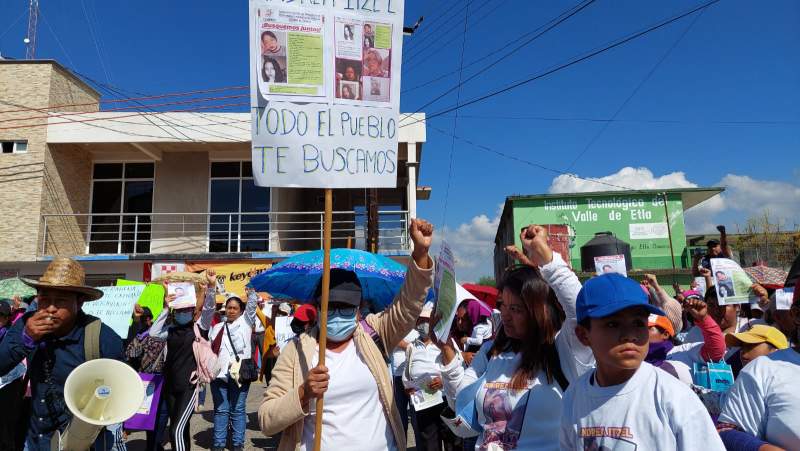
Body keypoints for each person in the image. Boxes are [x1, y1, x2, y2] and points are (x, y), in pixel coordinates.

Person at [259, 218, 434, 451]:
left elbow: (408, 305)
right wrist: (302, 394)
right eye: (330, 307)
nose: (338, 314)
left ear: (359, 309)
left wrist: (420, 253)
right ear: (317, 307)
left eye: (347, 307)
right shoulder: (296, 351)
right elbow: (266, 419)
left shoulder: (375, 333)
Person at [437, 225, 594, 450]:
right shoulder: (492, 351)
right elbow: (459, 402)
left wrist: (547, 258)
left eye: (517, 309)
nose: (506, 317)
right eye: (503, 306)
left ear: (538, 311)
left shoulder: (561, 350)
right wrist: (446, 351)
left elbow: (582, 312)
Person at [560, 270, 725, 450]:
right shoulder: (574, 395)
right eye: (612, 324)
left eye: (638, 323)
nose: (629, 335)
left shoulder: (674, 398)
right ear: (583, 335)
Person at [0, 257, 124, 450]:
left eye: (60, 301)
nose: (50, 308)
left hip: (80, 443)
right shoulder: (26, 324)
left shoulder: (102, 337)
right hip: (35, 440)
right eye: (44, 300)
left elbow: (119, 394)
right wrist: (26, 339)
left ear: (80, 302)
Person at [717, 284, 800, 450]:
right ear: (797, 315)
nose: (743, 354)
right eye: (742, 347)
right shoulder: (761, 370)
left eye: (750, 346)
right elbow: (727, 431)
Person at [150, 270, 218, 451]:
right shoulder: (170, 330)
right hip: (170, 389)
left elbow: (209, 310)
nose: (183, 313)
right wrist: (166, 306)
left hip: (189, 388)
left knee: (175, 431)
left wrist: (211, 287)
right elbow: (153, 333)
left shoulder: (199, 328)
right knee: (182, 429)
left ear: (192, 310)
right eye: (179, 310)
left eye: (187, 309)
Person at [207, 292, 258, 451]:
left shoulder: (246, 322)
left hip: (239, 375)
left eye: (235, 308)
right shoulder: (217, 327)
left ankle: (237, 444)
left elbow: (251, 307)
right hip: (219, 375)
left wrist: (252, 294)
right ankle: (219, 444)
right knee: (221, 411)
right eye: (229, 308)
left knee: (238, 410)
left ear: (241, 310)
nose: (231, 311)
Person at [402, 305, 449, 451]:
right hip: (424, 403)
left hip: (445, 399)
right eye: (420, 320)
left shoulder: (444, 344)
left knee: (451, 441)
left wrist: (443, 381)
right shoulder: (411, 347)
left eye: (427, 320)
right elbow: (406, 374)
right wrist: (407, 388)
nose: (423, 324)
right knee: (429, 443)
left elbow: (458, 368)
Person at [125, 305, 169, 451]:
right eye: (137, 319)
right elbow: (131, 353)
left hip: (153, 379)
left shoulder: (155, 337)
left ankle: (153, 444)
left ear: (150, 319)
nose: (141, 321)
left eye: (143, 318)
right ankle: (153, 445)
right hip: (146, 379)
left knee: (156, 415)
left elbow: (132, 353)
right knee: (153, 415)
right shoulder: (139, 335)